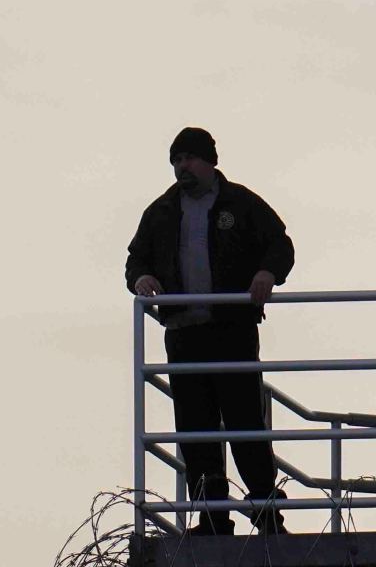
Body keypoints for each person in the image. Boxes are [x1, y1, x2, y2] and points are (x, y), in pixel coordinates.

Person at [124, 127, 297, 536]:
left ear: (210, 160)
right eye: (175, 160)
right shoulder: (161, 212)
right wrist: (142, 278)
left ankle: (267, 515)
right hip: (184, 333)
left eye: (189, 157)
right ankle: (213, 518)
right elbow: (135, 259)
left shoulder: (241, 202)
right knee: (195, 431)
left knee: (245, 425)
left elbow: (280, 244)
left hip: (231, 329)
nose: (182, 166)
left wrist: (267, 273)